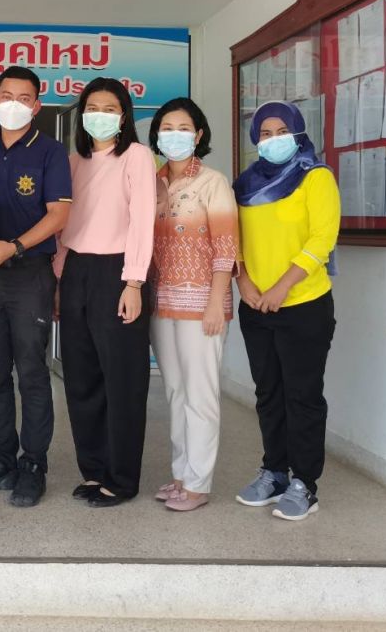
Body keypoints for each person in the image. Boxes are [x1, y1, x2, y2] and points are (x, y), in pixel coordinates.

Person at [0, 66, 72, 508]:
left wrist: (15, 247)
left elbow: (59, 215)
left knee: (31, 373)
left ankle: (34, 465)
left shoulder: (51, 151)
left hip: (29, 274)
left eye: (24, 98)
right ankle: (0, 459)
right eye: (6, 96)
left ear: (37, 106)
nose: (14, 105)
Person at [233, 100, 340, 522]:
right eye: (265, 133)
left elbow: (322, 238)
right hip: (256, 306)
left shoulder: (315, 177)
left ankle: (305, 483)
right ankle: (274, 472)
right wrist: (243, 281)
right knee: (268, 394)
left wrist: (282, 286)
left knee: (302, 396)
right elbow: (234, 240)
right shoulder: (245, 184)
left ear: (297, 134)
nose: (273, 139)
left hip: (303, 304)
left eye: (282, 132)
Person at [55, 77, 156, 507]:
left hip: (118, 271)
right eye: (92, 108)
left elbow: (143, 220)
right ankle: (94, 470)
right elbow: (64, 225)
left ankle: (122, 477)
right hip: (75, 270)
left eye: (109, 108)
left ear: (124, 115)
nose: (100, 115)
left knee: (123, 380)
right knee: (81, 378)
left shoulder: (136, 156)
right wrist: (58, 278)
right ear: (82, 114)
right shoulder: (73, 161)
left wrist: (134, 282)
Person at [147, 97, 237, 512]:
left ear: (198, 135)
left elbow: (226, 245)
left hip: (202, 303)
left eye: (183, 128)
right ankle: (182, 474)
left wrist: (217, 301)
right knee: (175, 391)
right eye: (167, 128)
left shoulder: (213, 182)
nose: (175, 136)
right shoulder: (153, 181)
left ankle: (199, 484)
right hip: (161, 302)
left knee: (200, 394)